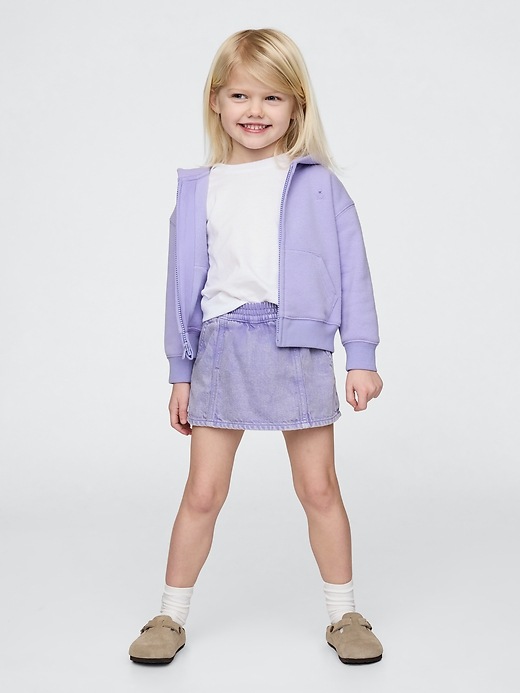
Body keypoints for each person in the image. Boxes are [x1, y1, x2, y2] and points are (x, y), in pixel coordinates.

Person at [129, 28, 384, 667]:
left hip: (298, 347)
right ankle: (169, 614)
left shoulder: (318, 184)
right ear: (216, 100)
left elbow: (353, 272)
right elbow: (181, 286)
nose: (255, 110)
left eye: (272, 97)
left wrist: (361, 356)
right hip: (222, 349)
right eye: (240, 94)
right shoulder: (200, 188)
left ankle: (345, 612)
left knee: (319, 487)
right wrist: (180, 371)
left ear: (297, 106)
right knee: (203, 492)